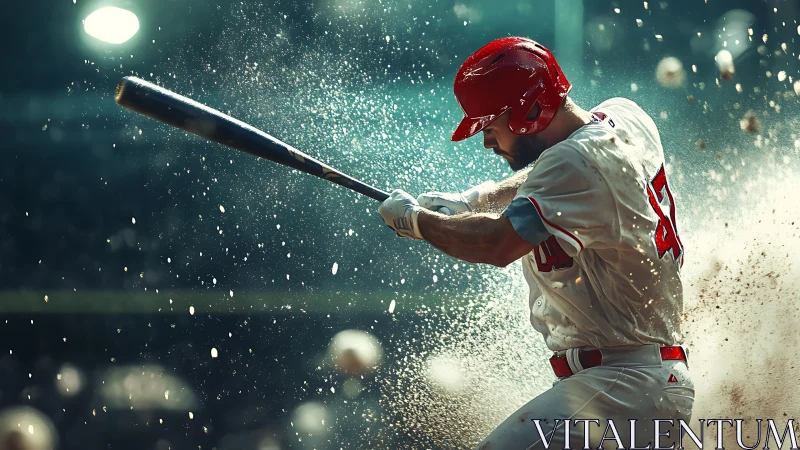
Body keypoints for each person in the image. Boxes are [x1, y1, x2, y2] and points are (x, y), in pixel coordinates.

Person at [378, 37, 694, 449]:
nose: (487, 141)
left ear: (530, 109)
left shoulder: (576, 163)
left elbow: (497, 244)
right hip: (644, 383)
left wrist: (419, 222)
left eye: (490, 126)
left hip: (622, 385)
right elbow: (558, 169)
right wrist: (480, 198)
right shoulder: (623, 117)